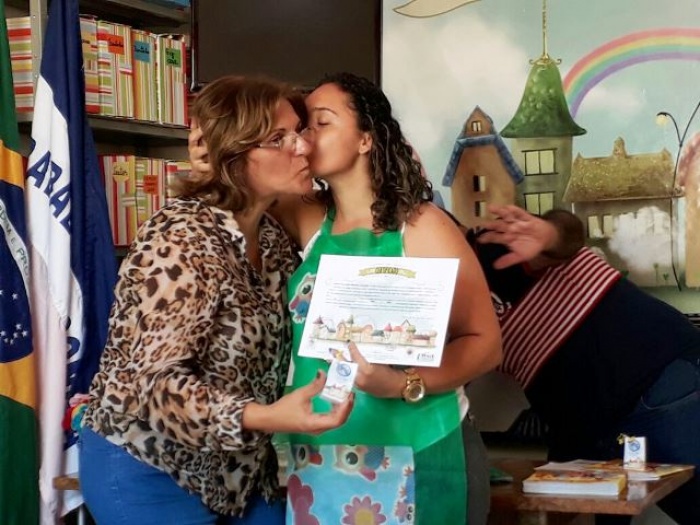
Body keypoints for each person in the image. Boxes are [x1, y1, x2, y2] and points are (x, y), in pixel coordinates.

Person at [189, 72, 502, 524]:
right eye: (301, 128)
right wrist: (212, 156)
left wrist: (403, 383)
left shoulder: (422, 226)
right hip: (321, 457)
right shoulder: (305, 217)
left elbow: (485, 343)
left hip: (421, 449)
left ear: (365, 140)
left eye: (321, 123)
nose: (304, 139)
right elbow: (245, 178)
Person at [79, 75, 353, 525]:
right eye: (278, 138)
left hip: (239, 471)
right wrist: (266, 417)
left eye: (299, 132)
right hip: (152, 467)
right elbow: (155, 386)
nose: (303, 146)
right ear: (234, 155)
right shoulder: (180, 237)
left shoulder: (272, 237)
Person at [469, 204, 700, 525]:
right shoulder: (435, 298)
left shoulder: (488, 248)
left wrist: (548, 233)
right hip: (590, 420)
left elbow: (567, 234)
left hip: (653, 376)